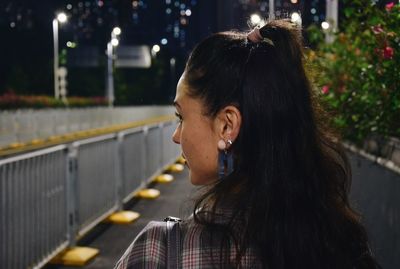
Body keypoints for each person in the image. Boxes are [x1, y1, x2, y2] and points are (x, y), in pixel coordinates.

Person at [115, 19, 380, 269]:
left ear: (227, 125)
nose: (176, 135)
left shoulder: (157, 253)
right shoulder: (343, 244)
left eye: (181, 117)